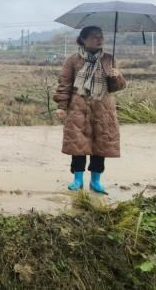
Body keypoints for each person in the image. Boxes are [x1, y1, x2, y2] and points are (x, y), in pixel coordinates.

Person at [53, 26, 127, 194]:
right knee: (77, 144)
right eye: (94, 37)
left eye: (101, 36)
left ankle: (95, 181)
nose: (99, 39)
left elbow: (115, 88)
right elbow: (64, 84)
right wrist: (61, 107)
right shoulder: (73, 60)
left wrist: (117, 76)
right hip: (78, 107)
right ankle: (77, 180)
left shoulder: (108, 59)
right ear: (83, 39)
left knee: (100, 144)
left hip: (103, 108)